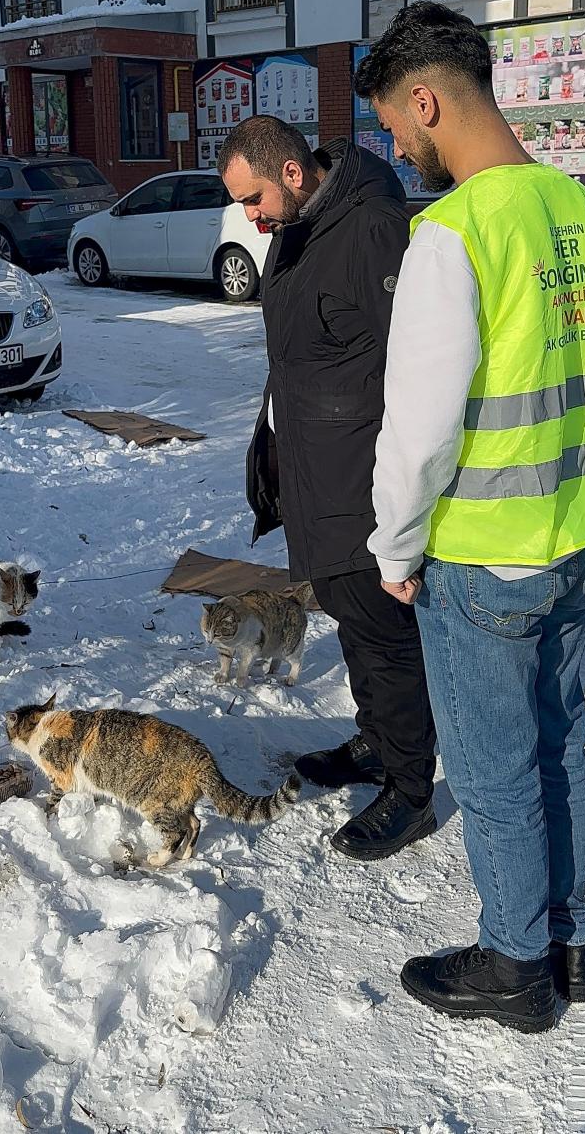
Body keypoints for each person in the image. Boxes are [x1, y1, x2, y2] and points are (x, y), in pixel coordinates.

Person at [355, 2, 585, 1032]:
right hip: (582, 531)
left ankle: (515, 966)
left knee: (493, 766)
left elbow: (420, 423)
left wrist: (393, 544)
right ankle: (569, 941)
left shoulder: (456, 231)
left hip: (487, 552)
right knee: (559, 738)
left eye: (394, 124)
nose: (396, 146)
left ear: (426, 99)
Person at [217, 116, 437, 861]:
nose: (248, 217)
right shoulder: (299, 224)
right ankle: (377, 743)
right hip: (314, 468)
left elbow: (417, 365)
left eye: (251, 199)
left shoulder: (371, 227)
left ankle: (410, 789)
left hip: (361, 474)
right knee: (350, 619)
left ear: (289, 173)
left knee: (383, 635)